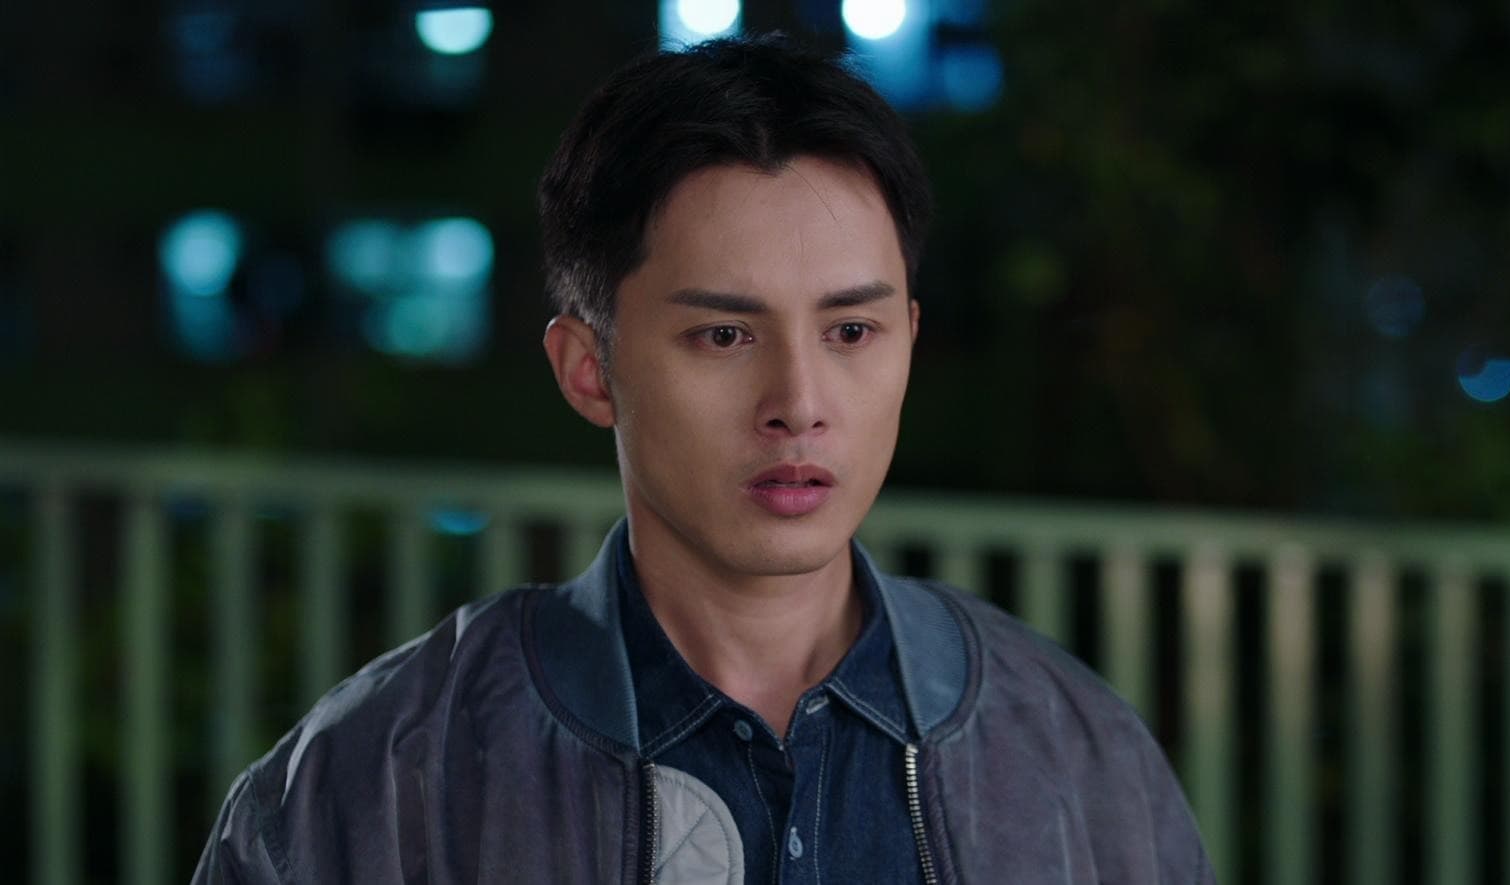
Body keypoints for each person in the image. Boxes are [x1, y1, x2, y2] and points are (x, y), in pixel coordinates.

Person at [194, 35, 1215, 884]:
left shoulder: (1072, 754)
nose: (798, 404)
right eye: (724, 335)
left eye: (850, 332)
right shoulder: (384, 781)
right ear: (589, 369)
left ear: (907, 339)